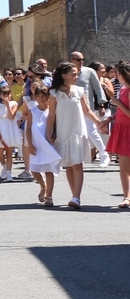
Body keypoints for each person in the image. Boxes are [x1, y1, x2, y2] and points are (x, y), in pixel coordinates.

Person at [47, 62, 104, 209]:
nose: (76, 76)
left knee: (77, 164)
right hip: (62, 133)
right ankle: (74, 195)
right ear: (63, 76)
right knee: (69, 166)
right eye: (73, 74)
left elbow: (87, 111)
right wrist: (48, 134)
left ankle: (76, 197)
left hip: (78, 132)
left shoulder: (79, 91)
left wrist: (99, 123)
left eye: (77, 73)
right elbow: (51, 116)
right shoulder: (54, 93)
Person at [71, 52, 111, 166]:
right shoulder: (66, 71)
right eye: (78, 59)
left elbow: (98, 89)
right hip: (70, 107)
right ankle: (75, 158)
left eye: (82, 59)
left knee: (92, 131)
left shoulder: (89, 71)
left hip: (87, 106)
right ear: (71, 60)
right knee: (73, 132)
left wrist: (101, 104)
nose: (81, 61)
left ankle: (104, 155)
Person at [24, 82, 61, 206]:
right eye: (38, 96)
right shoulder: (32, 111)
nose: (41, 98)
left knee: (48, 170)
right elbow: (28, 128)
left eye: (44, 96)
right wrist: (30, 144)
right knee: (34, 169)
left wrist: (54, 136)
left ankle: (49, 196)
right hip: (36, 143)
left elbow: (56, 126)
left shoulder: (52, 111)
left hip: (47, 143)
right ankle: (42, 185)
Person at [107, 62, 130, 206]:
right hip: (121, 128)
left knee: (125, 166)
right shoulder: (122, 88)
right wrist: (109, 119)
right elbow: (121, 112)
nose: (115, 75)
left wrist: (117, 103)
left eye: (117, 73)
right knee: (123, 166)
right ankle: (126, 197)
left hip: (128, 129)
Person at [0, 85, 22, 181]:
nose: (6, 96)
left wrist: (8, 104)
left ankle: (9, 174)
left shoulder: (14, 104)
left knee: (9, 153)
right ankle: (4, 166)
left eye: (8, 94)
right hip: (0, 129)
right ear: (0, 95)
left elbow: (11, 117)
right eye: (3, 94)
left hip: (10, 129)